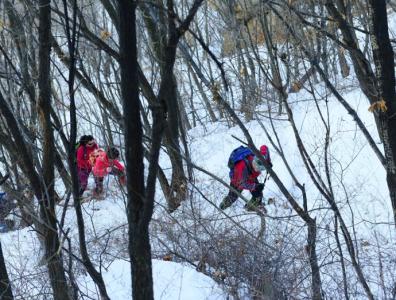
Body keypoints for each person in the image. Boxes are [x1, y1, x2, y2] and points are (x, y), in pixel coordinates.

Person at [220, 145, 272, 211]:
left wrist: (268, 162)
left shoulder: (259, 156)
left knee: (258, 194)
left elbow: (264, 147)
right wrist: (255, 186)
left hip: (250, 176)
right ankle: (222, 207)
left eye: (259, 168)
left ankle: (249, 208)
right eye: (255, 165)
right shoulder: (241, 167)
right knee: (232, 198)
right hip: (237, 181)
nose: (256, 167)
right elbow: (241, 184)